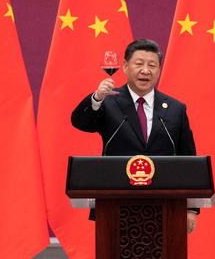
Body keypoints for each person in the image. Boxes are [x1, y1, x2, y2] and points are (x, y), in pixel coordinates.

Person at [71, 39, 198, 233]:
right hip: (115, 203)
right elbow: (81, 122)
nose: (145, 70)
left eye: (152, 65)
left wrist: (191, 208)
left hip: (165, 204)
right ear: (125, 66)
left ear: (159, 70)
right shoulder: (109, 101)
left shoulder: (175, 109)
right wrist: (96, 98)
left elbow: (188, 159)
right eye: (139, 64)